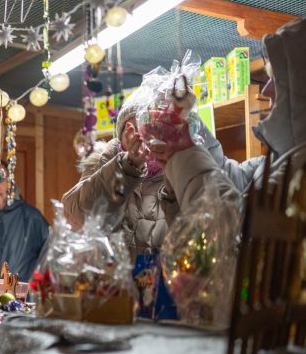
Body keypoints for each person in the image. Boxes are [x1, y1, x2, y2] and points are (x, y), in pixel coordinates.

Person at [62, 87, 256, 258]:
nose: (144, 139)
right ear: (121, 135)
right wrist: (126, 166)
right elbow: (77, 219)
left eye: (152, 129)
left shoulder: (185, 170)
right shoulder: (104, 165)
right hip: (115, 293)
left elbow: (202, 239)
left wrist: (174, 168)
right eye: (133, 130)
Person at [249, 17, 306, 189]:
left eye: (277, 81)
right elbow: (230, 178)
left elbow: (223, 214)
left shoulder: (294, 178)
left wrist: (184, 154)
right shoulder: (279, 161)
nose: (265, 91)